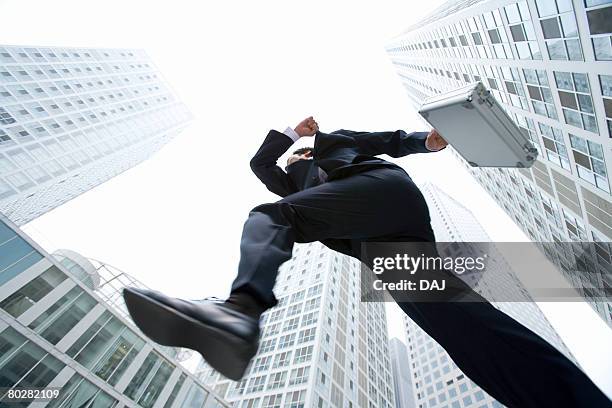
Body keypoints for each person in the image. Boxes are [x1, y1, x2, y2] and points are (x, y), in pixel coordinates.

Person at [123, 117, 611, 407]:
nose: (297, 160)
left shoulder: (335, 146)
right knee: (469, 331)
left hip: (383, 195)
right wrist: (288, 131)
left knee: (271, 217)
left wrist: (425, 141)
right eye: (294, 159)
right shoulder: (292, 184)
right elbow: (260, 165)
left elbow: (385, 139)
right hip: (383, 248)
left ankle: (240, 309)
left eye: (300, 154)